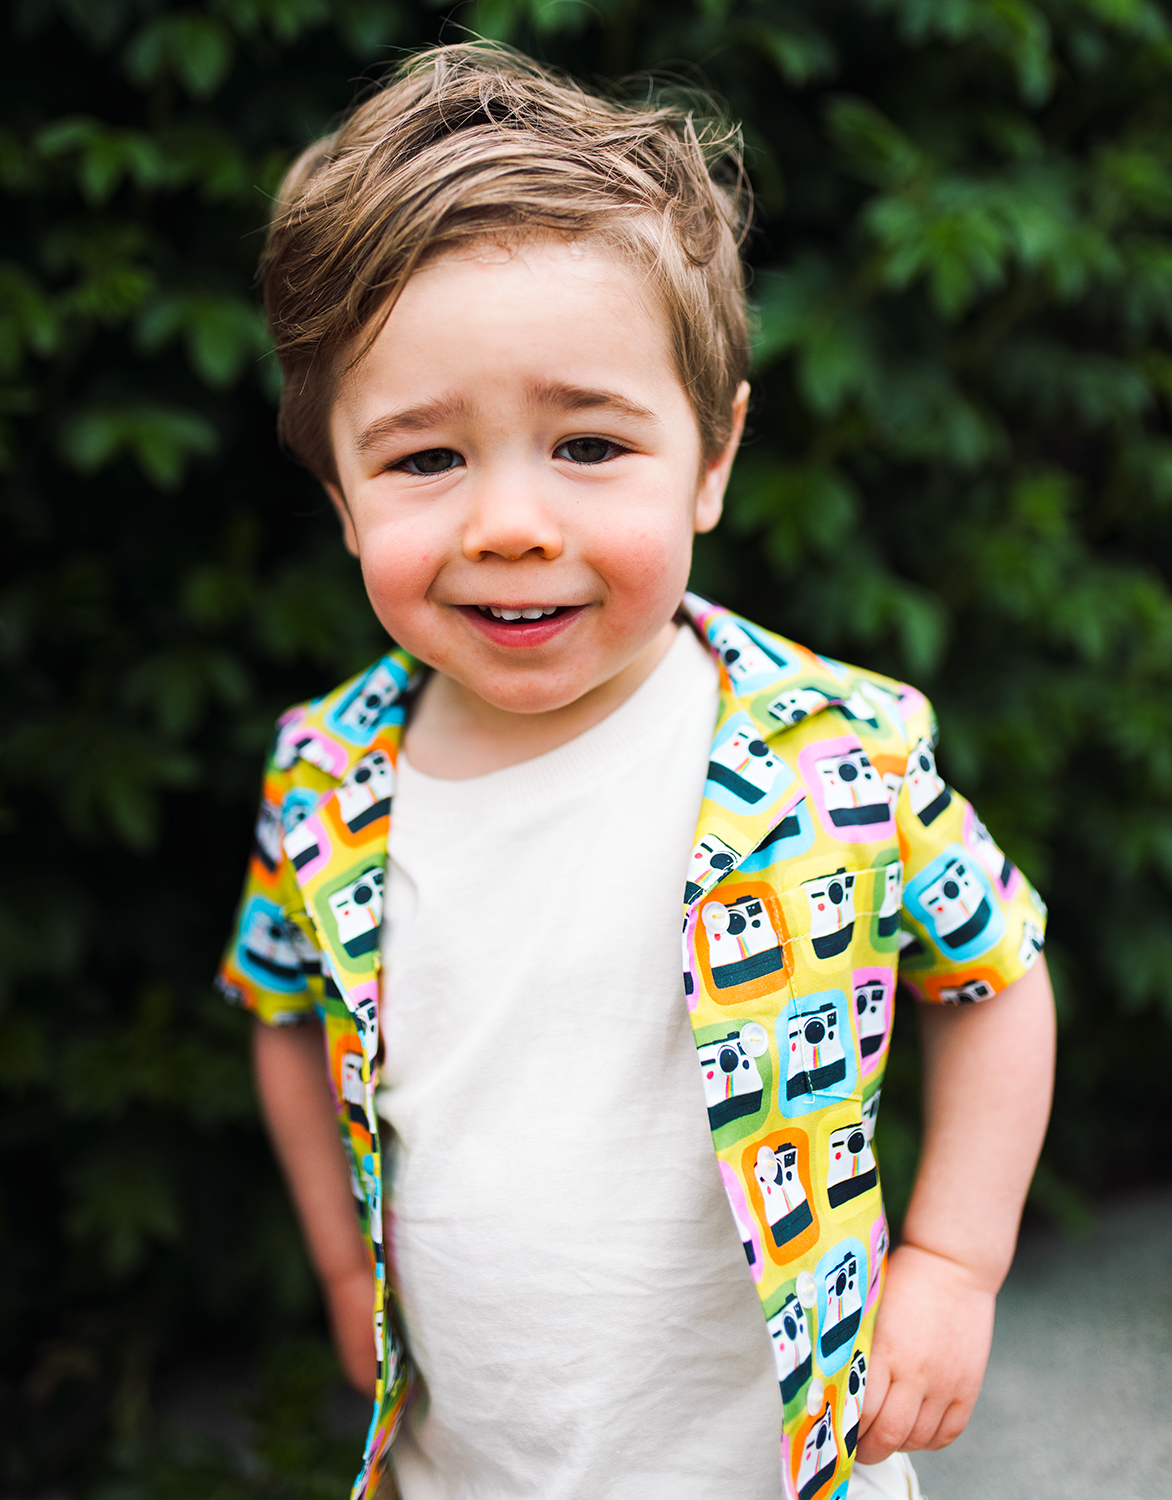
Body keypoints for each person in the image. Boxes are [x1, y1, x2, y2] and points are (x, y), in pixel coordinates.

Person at [217, 43, 1055, 1500]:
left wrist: (953, 1259)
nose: (513, 523)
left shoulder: (828, 750)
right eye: (424, 462)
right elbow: (283, 1011)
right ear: (339, 493)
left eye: (590, 444)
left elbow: (999, 973)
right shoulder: (327, 780)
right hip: (462, 1464)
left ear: (712, 460)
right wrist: (344, 1265)